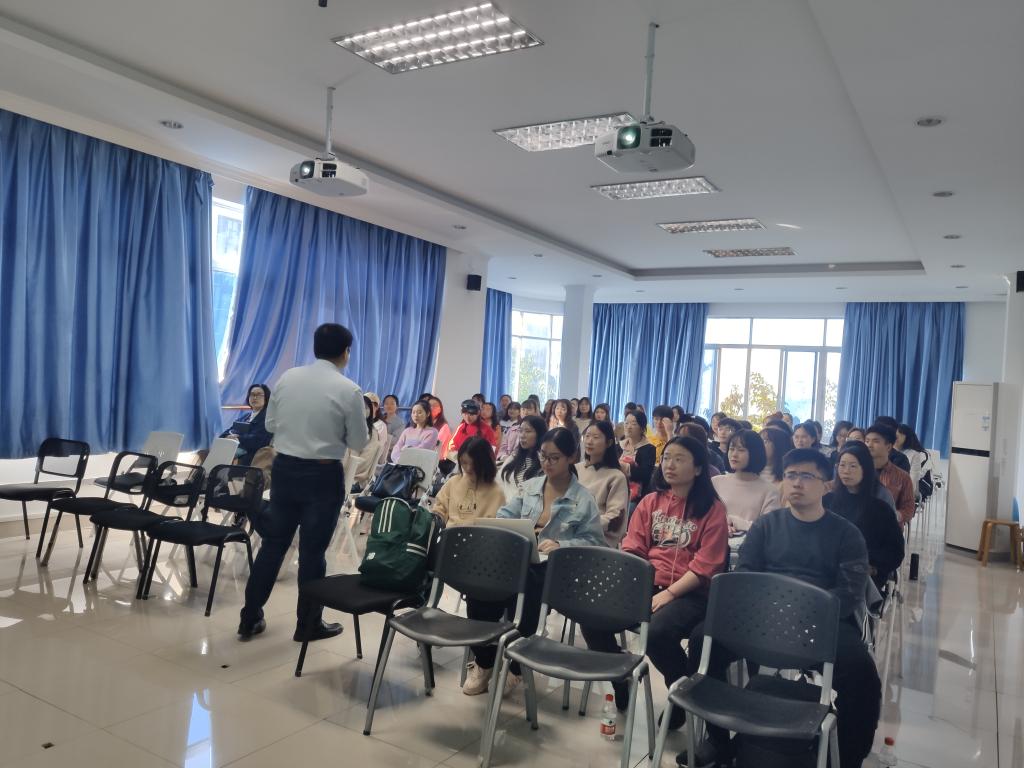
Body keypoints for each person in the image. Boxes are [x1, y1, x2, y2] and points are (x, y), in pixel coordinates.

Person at [683, 449, 879, 768]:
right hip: (764, 615)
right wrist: (771, 611)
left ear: (826, 484)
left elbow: (847, 594)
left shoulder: (847, 534)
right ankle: (718, 741)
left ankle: (847, 757)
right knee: (702, 638)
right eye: (790, 475)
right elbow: (746, 576)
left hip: (820, 623)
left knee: (861, 672)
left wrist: (799, 616)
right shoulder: (767, 526)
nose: (796, 483)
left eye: (806, 476)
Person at [239, 323, 368, 642]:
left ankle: (249, 618)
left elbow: (271, 424)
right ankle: (308, 624)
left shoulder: (288, 378)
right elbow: (358, 442)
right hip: (323, 476)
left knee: (273, 545)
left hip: (284, 469)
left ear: (315, 348)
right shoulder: (349, 390)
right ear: (346, 352)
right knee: (312, 554)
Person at [583, 436, 727, 717]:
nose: (669, 465)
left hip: (691, 593)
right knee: (592, 614)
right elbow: (633, 548)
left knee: (657, 633)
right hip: (648, 583)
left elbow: (706, 566)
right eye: (667, 458)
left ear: (698, 468)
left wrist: (670, 593)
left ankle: (680, 694)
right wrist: (634, 586)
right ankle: (620, 673)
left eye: (679, 459)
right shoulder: (651, 502)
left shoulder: (712, 509)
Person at [462, 428, 605, 696]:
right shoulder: (530, 487)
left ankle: (516, 667)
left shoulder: (583, 499)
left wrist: (562, 545)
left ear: (571, 458)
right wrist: (510, 529)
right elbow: (506, 515)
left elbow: (595, 542)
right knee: (480, 584)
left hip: (554, 570)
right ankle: (485, 660)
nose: (547, 463)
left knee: (529, 585)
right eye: (543, 456)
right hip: (520, 559)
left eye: (554, 458)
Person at [826, 442, 905, 589]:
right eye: (842, 465)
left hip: (863, 574)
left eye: (853, 466)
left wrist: (872, 567)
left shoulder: (880, 509)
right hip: (827, 569)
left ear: (866, 469)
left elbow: (895, 551)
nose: (846, 471)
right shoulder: (827, 501)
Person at [712, 429, 781, 531]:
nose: (734, 454)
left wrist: (737, 523)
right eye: (731, 449)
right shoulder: (715, 482)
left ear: (755, 453)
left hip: (750, 540)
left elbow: (769, 529)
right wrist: (721, 525)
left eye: (741, 450)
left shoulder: (769, 491)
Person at [576, 420, 629, 547]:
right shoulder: (575, 469)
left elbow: (615, 517)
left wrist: (584, 525)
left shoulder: (616, 477)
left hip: (596, 539)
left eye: (595, 437)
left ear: (609, 443)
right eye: (587, 436)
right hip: (570, 532)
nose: (589, 441)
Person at [432, 436, 505, 526]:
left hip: (477, 534)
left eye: (474, 464)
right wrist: (437, 517)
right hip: (449, 533)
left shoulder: (496, 493)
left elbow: (493, 528)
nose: (468, 468)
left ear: (485, 463)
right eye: (464, 462)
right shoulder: (453, 482)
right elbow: (439, 509)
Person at [865, 424, 916, 525]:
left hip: (888, 528)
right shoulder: (859, 471)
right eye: (867, 441)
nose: (869, 445)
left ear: (888, 447)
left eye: (875, 441)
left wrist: (893, 515)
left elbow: (909, 509)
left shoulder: (902, 477)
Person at [221, 383, 273, 464]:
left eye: (259, 395)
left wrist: (238, 438)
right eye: (252, 394)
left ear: (266, 397)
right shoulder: (245, 417)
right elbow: (226, 432)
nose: (255, 397)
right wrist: (227, 436)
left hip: (253, 458)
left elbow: (258, 441)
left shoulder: (268, 418)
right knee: (206, 452)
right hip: (234, 450)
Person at [499, 414, 547, 501]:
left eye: (528, 431)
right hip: (504, 505)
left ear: (540, 434)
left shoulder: (544, 463)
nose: (522, 435)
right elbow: (498, 481)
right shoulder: (514, 457)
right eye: (520, 431)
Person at [347, 395, 385, 489]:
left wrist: (343, 469)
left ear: (370, 411)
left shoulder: (372, 433)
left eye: (365, 408)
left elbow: (364, 462)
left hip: (354, 479)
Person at [619, 410, 656, 502]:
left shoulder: (649, 449)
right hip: (615, 487)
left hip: (636, 495)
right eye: (626, 423)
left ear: (642, 428)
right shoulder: (618, 446)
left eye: (633, 424)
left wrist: (624, 467)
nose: (628, 427)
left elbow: (645, 475)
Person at [896, 423, 929, 493]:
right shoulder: (887, 451)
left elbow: (913, 480)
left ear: (907, 437)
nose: (896, 437)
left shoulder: (916, 454)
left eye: (900, 434)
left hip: (912, 488)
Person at [759, 426, 793, 492]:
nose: (759, 445)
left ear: (778, 445)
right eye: (759, 441)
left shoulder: (789, 477)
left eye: (765, 441)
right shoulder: (749, 472)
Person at [364, 393, 390, 474]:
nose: (365, 408)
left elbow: (378, 450)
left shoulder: (380, 425)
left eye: (369, 405)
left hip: (368, 462)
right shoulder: (358, 422)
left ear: (377, 407)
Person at [428, 396, 452, 461]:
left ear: (440, 410)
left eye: (435, 406)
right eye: (429, 405)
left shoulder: (444, 426)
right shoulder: (423, 424)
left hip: (437, 460)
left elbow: (435, 446)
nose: (431, 408)